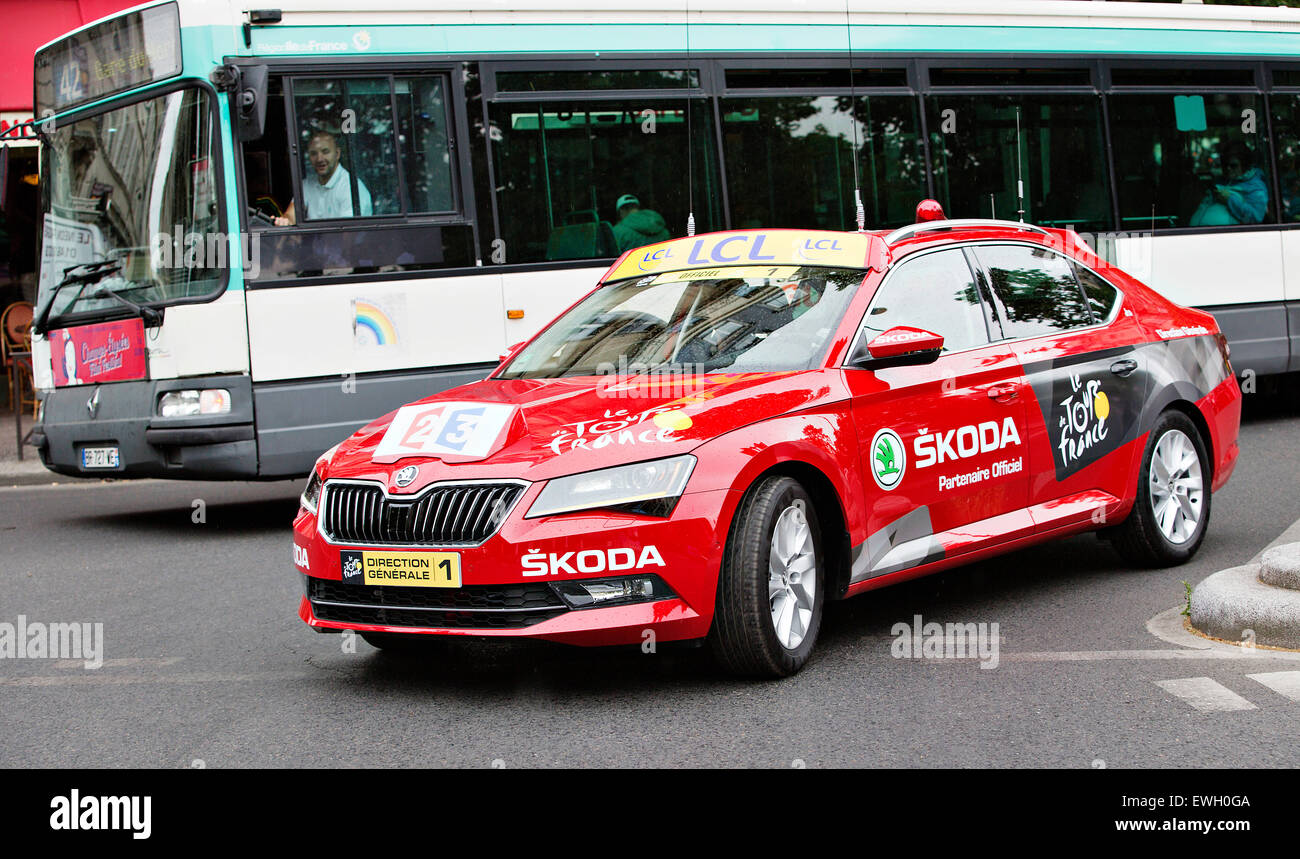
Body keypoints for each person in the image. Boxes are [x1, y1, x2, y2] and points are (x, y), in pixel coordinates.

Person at [274, 129, 373, 225]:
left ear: (337, 154)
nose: (319, 159)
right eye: (314, 153)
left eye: (325, 152)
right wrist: (285, 222)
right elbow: (290, 216)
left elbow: (348, 236)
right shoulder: (306, 185)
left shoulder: (352, 189)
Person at [1190, 142, 1268, 227]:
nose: (1228, 169)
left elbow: (1255, 218)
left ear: (1244, 165)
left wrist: (1229, 200)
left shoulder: (1254, 186)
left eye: (1233, 165)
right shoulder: (1223, 180)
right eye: (1225, 165)